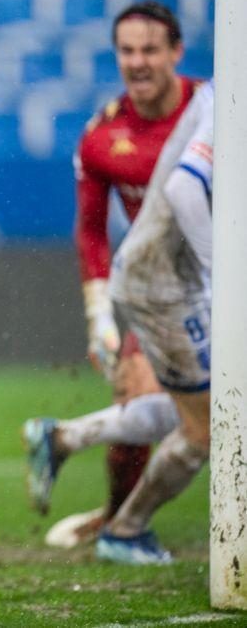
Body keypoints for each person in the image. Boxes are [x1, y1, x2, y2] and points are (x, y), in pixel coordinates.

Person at [23, 1, 199, 546]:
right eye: (127, 50)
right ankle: (121, 523)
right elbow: (93, 231)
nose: (138, 62)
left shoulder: (216, 114)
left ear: (176, 52)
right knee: (141, 393)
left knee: (199, 420)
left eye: (150, 49)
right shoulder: (103, 137)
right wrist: (101, 315)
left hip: (226, 280)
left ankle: (70, 443)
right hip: (162, 293)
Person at [95, 79, 214, 564]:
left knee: (196, 410)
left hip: (171, 275)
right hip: (164, 282)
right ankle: (123, 528)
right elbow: (185, 189)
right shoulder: (224, 99)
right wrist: (222, 275)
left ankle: (65, 436)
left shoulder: (209, 94)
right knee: (206, 424)